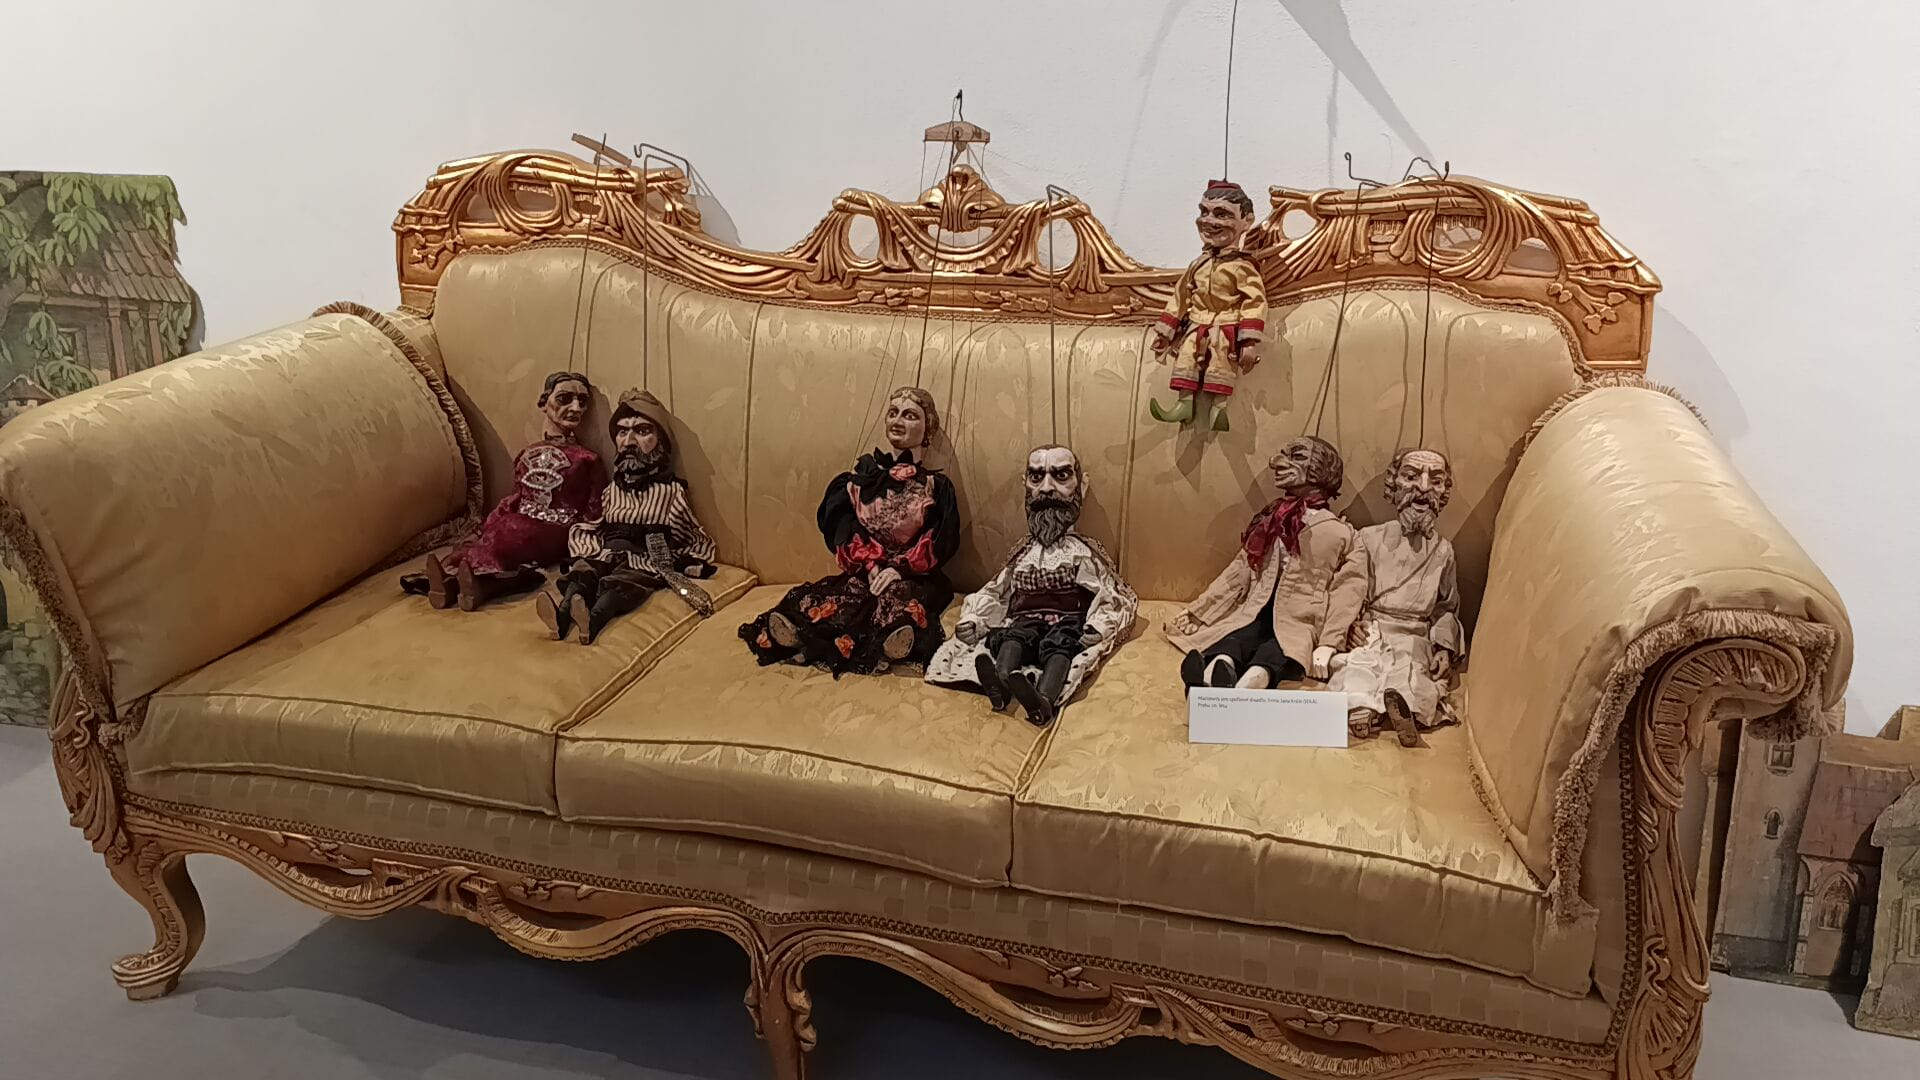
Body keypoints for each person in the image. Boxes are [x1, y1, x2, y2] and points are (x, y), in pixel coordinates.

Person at [739, 387, 960, 675]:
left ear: (927, 427)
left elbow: (938, 538)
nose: (898, 421)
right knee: (845, 596)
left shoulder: (934, 487)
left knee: (897, 599)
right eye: (893, 413)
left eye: (910, 415)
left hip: (913, 576)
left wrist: (898, 569)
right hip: (867, 569)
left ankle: (891, 640)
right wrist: (869, 564)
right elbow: (848, 528)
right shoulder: (858, 482)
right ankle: (801, 632)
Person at [924, 446, 1136, 726]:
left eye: (1061, 476)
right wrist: (975, 618)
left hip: (1066, 623)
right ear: (1025, 484)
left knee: (1060, 647)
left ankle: (1043, 700)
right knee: (1014, 637)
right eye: (1037, 477)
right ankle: (1000, 681)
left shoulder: (1082, 554)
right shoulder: (1022, 554)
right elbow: (997, 590)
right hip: (1025, 621)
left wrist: (1098, 626)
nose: (1047, 488)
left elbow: (1111, 595)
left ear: (1081, 486)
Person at [1166, 435, 1368, 689]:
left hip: (1301, 619)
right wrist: (1202, 609)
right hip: (1256, 608)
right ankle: (1212, 674)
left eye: (1296, 456)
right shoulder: (1271, 520)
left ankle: (1248, 686)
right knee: (1236, 639)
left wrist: (1329, 642)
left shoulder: (1343, 535)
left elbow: (1347, 592)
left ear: (1322, 468)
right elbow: (1240, 570)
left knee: (1277, 652)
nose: (1275, 462)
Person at [401, 371, 603, 611]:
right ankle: (452, 582)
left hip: (555, 529)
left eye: (582, 401)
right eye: (564, 399)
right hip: (521, 520)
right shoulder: (527, 453)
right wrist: (485, 527)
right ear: (544, 402)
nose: (576, 408)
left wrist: (585, 543)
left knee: (506, 536)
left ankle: (467, 581)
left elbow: (595, 509)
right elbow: (516, 497)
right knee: (485, 537)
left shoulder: (587, 459)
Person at [536, 389, 718, 644]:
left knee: (618, 586)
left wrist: (684, 561)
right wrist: (584, 548)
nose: (629, 441)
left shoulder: (671, 492)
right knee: (583, 575)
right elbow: (598, 524)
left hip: (642, 561)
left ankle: (591, 622)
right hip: (608, 552)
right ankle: (562, 617)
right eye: (622, 432)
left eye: (642, 431)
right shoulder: (613, 490)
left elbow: (689, 535)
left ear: (660, 441)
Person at [1331, 448, 1464, 745]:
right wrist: (1349, 625)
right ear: (1394, 486)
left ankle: (1404, 713)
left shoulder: (1443, 551)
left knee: (1410, 673)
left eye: (1435, 481)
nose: (1423, 488)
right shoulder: (1368, 538)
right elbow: (1349, 589)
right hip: (1371, 628)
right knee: (1359, 666)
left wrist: (1443, 647)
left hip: (1414, 633)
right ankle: (1361, 710)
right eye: (1411, 476)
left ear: (1443, 494)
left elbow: (1446, 607)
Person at [1147, 180, 1268, 431]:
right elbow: (1181, 296)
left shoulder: (1243, 267)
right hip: (1196, 325)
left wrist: (1249, 341)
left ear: (1246, 220)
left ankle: (1219, 409)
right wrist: (1165, 332)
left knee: (1221, 363)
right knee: (1185, 358)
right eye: (1204, 212)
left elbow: (1255, 301)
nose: (1209, 221)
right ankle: (1183, 404)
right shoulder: (1198, 264)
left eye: (1221, 214)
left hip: (1225, 326)